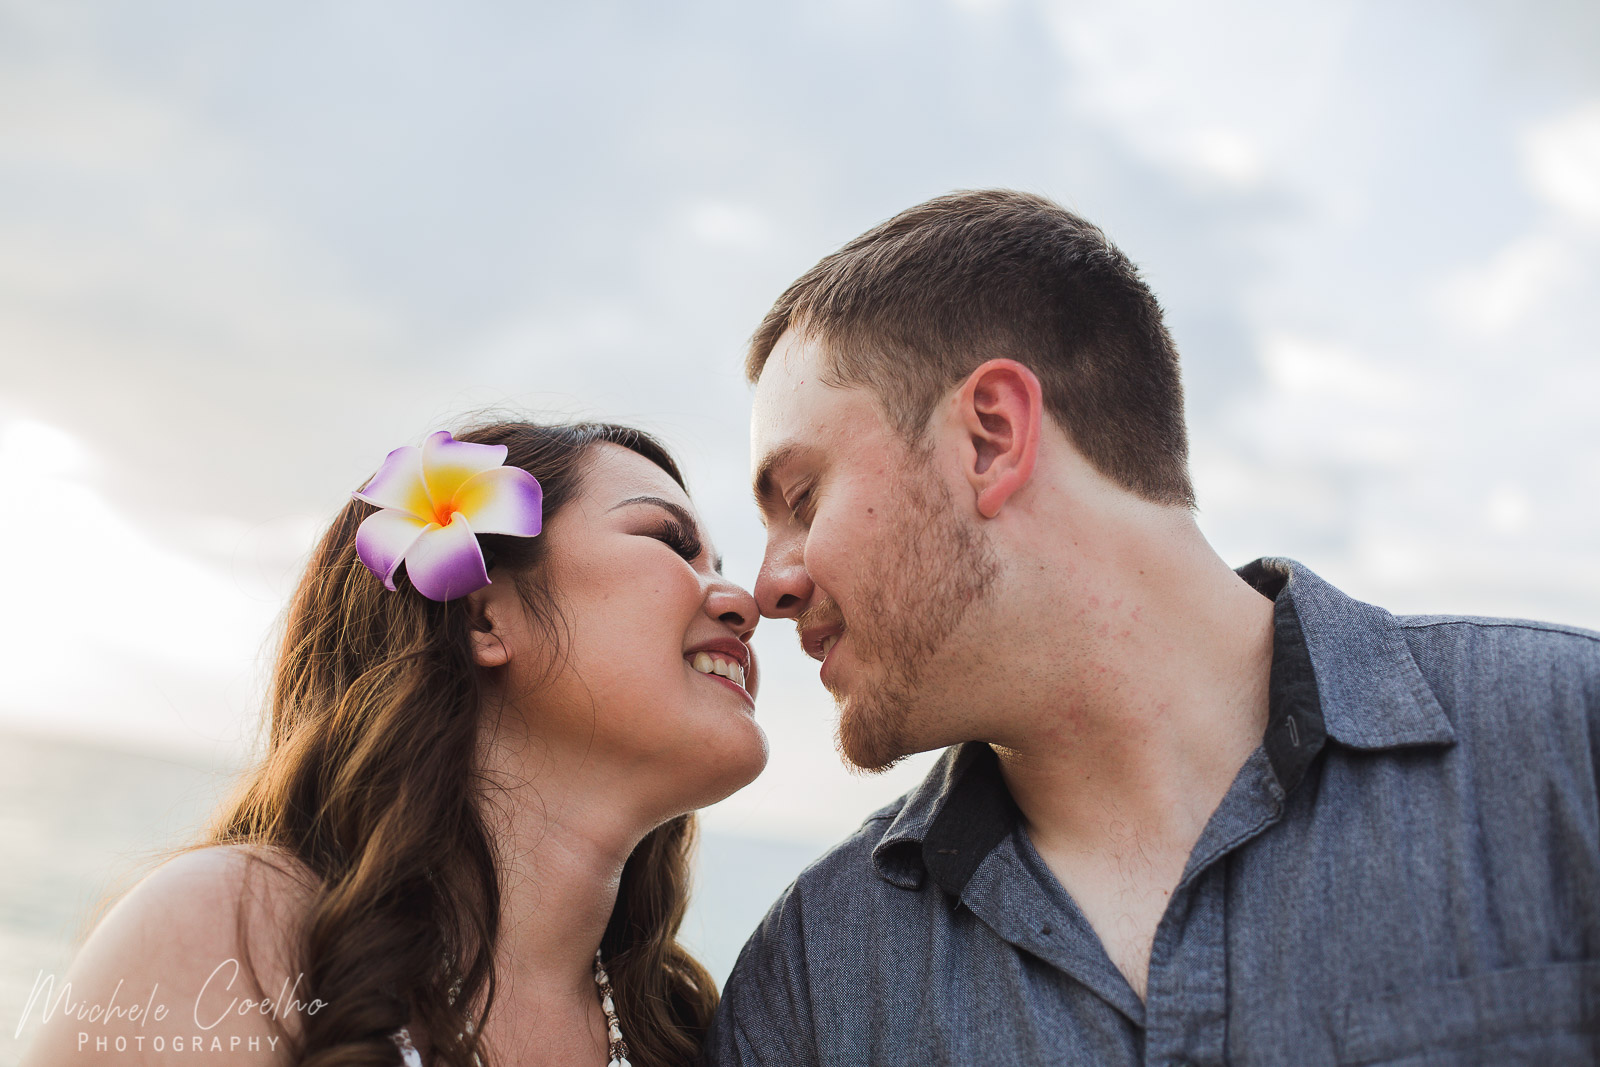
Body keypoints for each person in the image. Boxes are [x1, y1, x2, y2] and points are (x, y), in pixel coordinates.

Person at [708, 189, 1600, 1064]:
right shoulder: (812, 981)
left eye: (802, 498)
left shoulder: (1569, 743)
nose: (768, 585)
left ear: (990, 435)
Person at [24, 421, 767, 1067]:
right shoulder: (243, 934)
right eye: (671, 543)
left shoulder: (690, 1031)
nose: (745, 603)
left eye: (723, 569)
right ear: (482, 618)